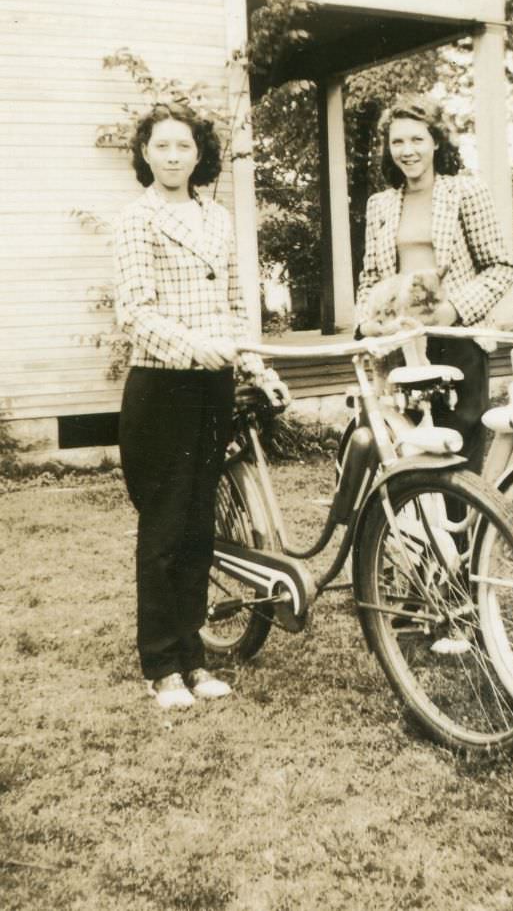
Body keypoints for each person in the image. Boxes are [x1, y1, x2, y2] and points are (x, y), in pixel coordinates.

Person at [114, 101, 285, 711]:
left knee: (197, 530)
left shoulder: (218, 218)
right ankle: (161, 665)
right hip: (162, 389)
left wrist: (256, 366)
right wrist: (198, 350)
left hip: (212, 390)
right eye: (160, 146)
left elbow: (237, 305)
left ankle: (193, 655)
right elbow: (134, 312)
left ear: (198, 154)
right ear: (145, 154)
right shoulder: (137, 220)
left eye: (182, 147)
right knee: (164, 528)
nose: (171, 157)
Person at [354, 91, 513, 475]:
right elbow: (371, 278)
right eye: (397, 141)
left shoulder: (464, 193)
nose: (407, 150)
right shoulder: (381, 204)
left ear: (436, 141)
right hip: (398, 347)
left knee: (456, 456)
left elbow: (501, 267)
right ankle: (405, 535)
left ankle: (458, 535)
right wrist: (366, 324)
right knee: (402, 452)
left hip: (457, 343)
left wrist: (453, 311)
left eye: (417, 139)